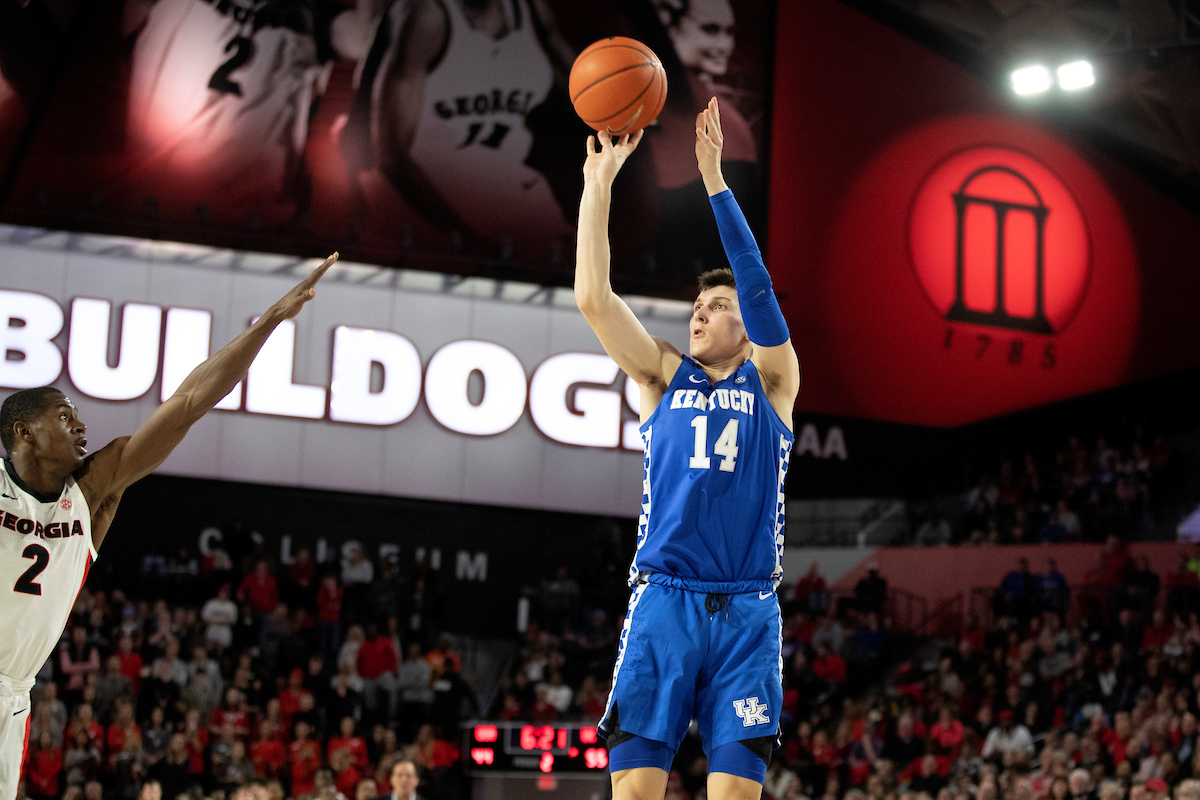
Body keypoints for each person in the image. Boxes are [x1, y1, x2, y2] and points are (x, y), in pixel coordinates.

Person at [0, 253, 339, 800]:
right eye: (65, 417)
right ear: (25, 432)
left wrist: (271, 320)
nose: (82, 425)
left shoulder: (93, 489)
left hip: (14, 697)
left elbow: (187, 403)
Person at [575, 97, 800, 800]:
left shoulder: (775, 381)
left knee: (735, 797)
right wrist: (598, 188)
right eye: (697, 308)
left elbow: (755, 282)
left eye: (718, 307)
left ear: (747, 324)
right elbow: (594, 298)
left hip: (748, 608)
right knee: (636, 793)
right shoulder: (662, 375)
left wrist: (713, 178)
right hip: (664, 600)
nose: (702, 314)